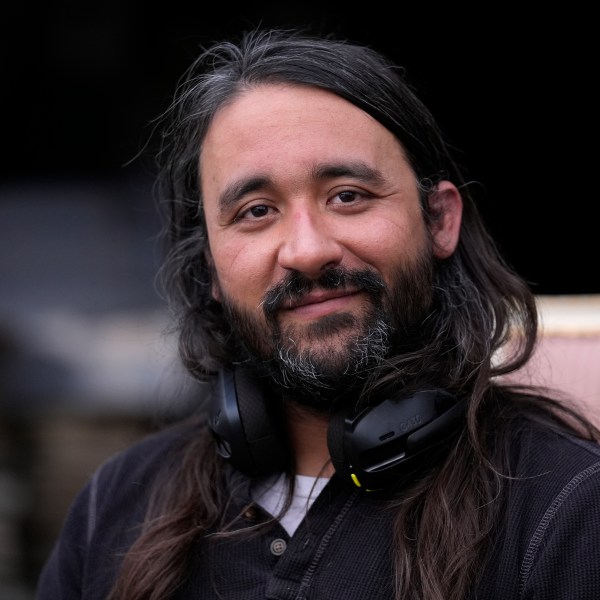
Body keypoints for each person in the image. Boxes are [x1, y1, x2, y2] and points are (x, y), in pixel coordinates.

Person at [36, 28, 600, 600]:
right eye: (257, 211)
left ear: (439, 221)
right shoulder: (117, 506)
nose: (306, 251)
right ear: (209, 267)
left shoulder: (571, 511)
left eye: (348, 195)